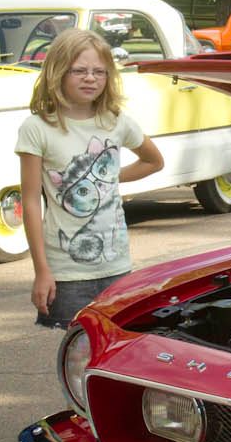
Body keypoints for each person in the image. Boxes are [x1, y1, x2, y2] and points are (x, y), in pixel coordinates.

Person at [17, 28, 165, 329]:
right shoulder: (37, 128)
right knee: (77, 352)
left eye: (100, 71)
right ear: (58, 72)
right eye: (80, 71)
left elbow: (153, 161)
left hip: (117, 266)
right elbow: (31, 201)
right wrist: (41, 270)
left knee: (118, 349)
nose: (91, 78)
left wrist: (107, 180)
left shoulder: (116, 122)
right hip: (67, 272)